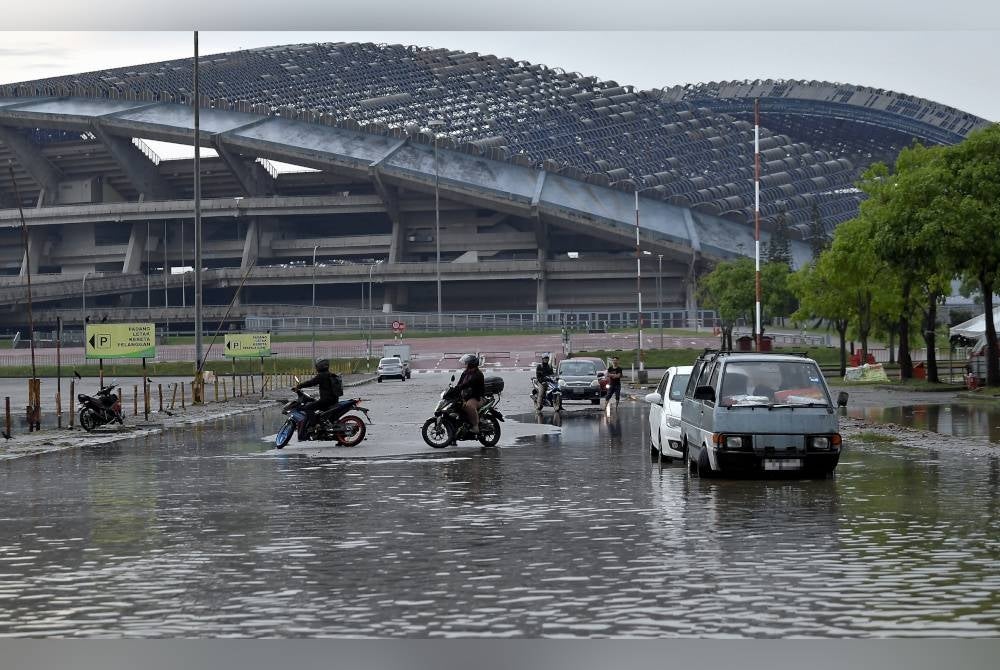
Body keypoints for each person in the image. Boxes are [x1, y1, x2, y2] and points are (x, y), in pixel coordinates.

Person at [292, 358, 342, 440]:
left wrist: (299, 386)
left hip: (326, 401)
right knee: (324, 414)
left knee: (308, 407)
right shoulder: (330, 374)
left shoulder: (321, 375)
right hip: (334, 400)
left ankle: (314, 426)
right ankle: (338, 437)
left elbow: (311, 382)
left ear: (319, 366)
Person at [455, 353, 485, 434]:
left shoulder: (478, 374)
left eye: (467, 363)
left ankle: (475, 426)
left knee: (468, 406)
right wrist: (454, 389)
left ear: (471, 364)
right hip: (466, 396)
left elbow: (468, 383)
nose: (466, 365)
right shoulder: (465, 373)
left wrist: (460, 387)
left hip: (477, 397)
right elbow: (460, 383)